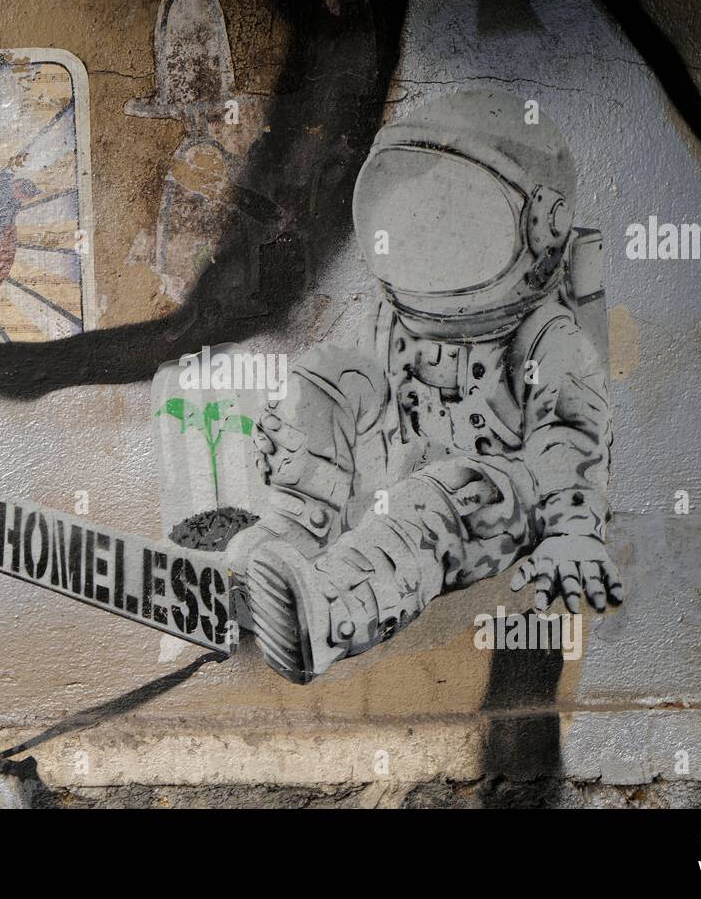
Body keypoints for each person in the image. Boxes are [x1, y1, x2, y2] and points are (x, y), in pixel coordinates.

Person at [227, 90, 622, 684]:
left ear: (539, 228)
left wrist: (571, 533)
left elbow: (570, 437)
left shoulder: (546, 339)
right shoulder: (393, 314)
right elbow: (349, 387)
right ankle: (289, 534)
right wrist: (299, 427)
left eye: (467, 224)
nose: (434, 248)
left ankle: (332, 613)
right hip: (402, 469)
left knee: (439, 493)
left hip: (491, 497)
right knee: (328, 371)